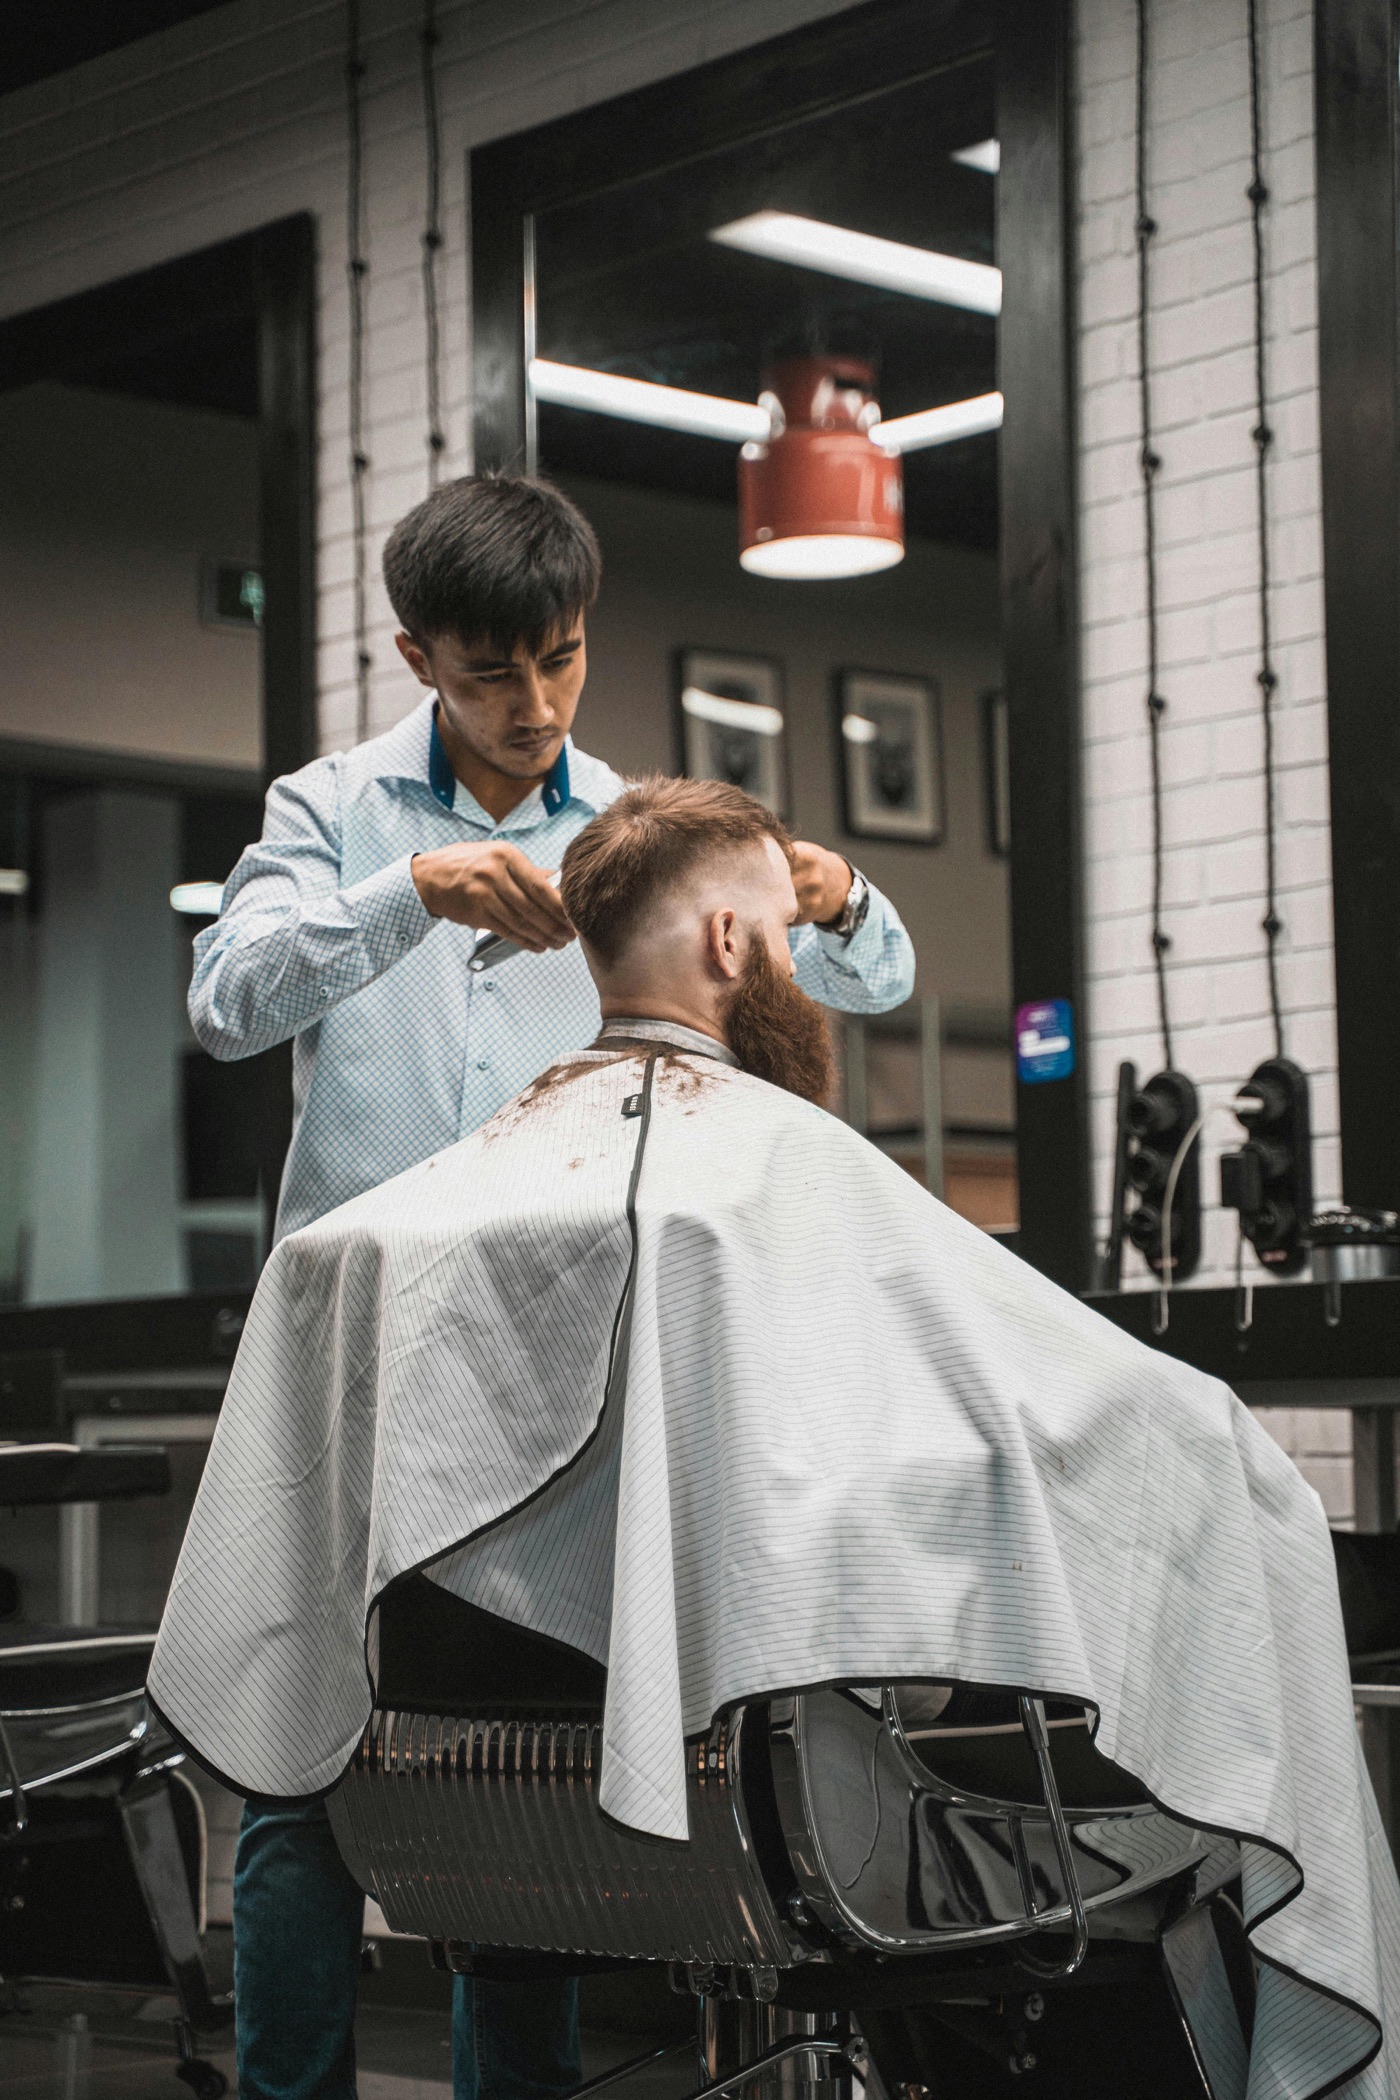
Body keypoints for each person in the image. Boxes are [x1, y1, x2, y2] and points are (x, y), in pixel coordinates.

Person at [155, 776, 1400, 2100]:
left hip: (466, 1835)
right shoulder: (750, 1187)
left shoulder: (384, 1234)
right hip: (786, 1833)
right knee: (1274, 1621)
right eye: (780, 932)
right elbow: (1148, 1437)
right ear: (734, 946)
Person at [183, 475, 915, 2100]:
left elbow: (871, 974)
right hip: (359, 1358)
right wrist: (406, 898)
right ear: (417, 656)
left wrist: (836, 892)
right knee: (303, 1761)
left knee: (523, 1759)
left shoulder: (626, 832)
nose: (533, 708)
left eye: (563, 663)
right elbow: (229, 1001)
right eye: (491, 674)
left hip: (550, 1360)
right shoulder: (333, 812)